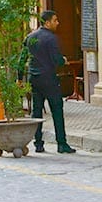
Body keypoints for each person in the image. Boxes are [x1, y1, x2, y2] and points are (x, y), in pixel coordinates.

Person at [26, 10, 75, 154]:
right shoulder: (51, 38)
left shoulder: (30, 37)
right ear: (47, 23)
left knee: (36, 111)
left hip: (34, 78)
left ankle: (38, 143)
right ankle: (61, 143)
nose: (57, 23)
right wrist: (63, 60)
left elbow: (25, 57)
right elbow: (56, 59)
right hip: (49, 78)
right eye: (55, 20)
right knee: (57, 110)